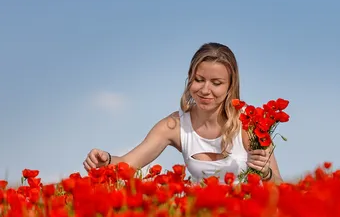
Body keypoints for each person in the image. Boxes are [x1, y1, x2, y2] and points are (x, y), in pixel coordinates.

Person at [83, 42, 283, 184]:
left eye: (216, 83)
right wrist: (106, 160)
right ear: (189, 79)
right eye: (199, 79)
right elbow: (127, 165)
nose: (205, 90)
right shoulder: (174, 126)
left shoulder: (249, 125)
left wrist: (265, 174)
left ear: (230, 86)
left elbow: (279, 186)